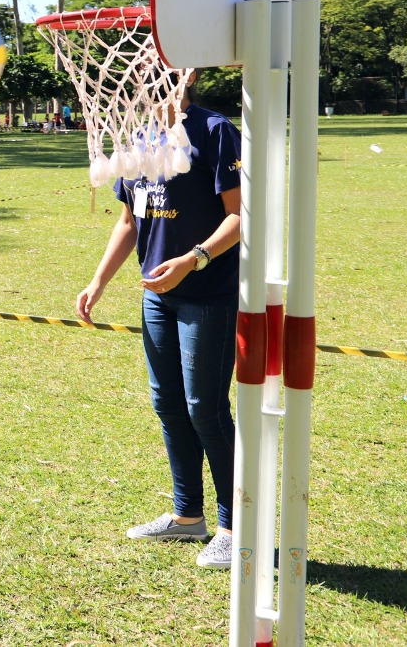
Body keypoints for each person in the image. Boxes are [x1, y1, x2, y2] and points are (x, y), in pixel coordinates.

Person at [74, 74, 241, 570]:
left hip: (206, 293)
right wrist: (98, 281)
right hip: (157, 299)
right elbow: (129, 220)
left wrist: (194, 258)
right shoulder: (139, 136)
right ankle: (188, 517)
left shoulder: (214, 130)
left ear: (186, 76)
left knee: (204, 409)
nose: (145, 82)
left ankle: (236, 526)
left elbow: (240, 214)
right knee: (168, 404)